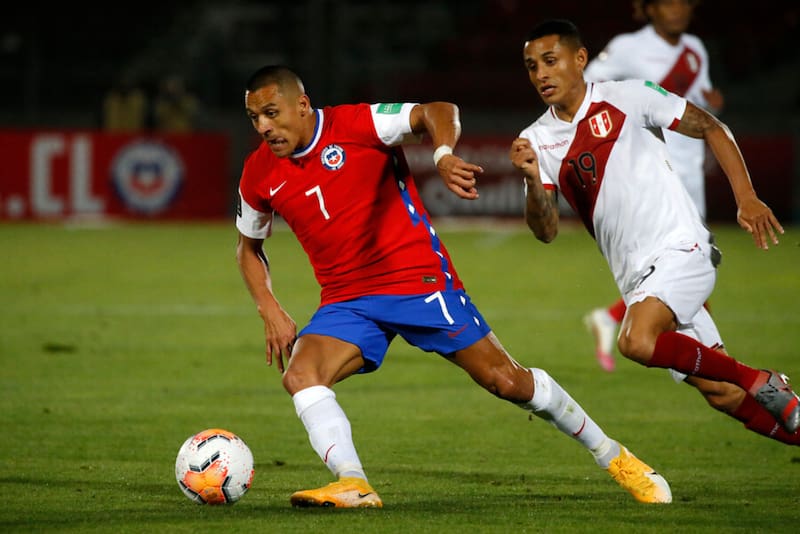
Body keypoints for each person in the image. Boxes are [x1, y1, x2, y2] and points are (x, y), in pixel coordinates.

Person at [235, 64, 673, 508]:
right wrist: (268, 305)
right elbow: (247, 248)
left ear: (303, 104)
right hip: (347, 300)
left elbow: (437, 110)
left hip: (417, 281)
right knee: (303, 376)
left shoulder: (357, 124)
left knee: (506, 381)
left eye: (272, 113)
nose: (264, 127)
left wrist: (442, 154)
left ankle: (613, 455)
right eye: (255, 118)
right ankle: (353, 482)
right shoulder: (258, 172)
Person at [511, 19, 800, 447]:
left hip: (681, 248)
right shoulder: (536, 140)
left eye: (550, 62)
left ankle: (762, 380)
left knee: (635, 341)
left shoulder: (630, 96)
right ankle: (763, 395)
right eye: (532, 67)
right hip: (637, 280)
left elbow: (712, 127)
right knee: (722, 392)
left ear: (580, 59)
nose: (541, 75)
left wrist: (747, 197)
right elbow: (546, 231)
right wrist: (534, 181)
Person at [581, 0, 724, 372]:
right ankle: (706, 365)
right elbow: (587, 85)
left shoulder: (696, 50)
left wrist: (714, 104)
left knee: (688, 269)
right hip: (655, 177)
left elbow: (700, 105)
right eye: (667, 2)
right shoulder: (628, 47)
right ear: (649, 9)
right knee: (689, 265)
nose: (676, 9)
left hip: (691, 171)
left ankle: (621, 322)